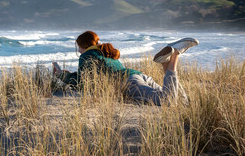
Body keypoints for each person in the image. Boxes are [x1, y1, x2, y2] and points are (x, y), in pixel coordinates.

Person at [53, 31, 198, 106]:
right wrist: (69, 74)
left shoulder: (87, 56)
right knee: (180, 102)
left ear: (84, 45)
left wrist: (62, 76)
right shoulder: (104, 53)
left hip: (129, 84)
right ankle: (165, 63)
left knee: (168, 101)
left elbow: (83, 83)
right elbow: (92, 74)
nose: (78, 51)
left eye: (78, 47)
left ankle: (175, 54)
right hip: (138, 76)